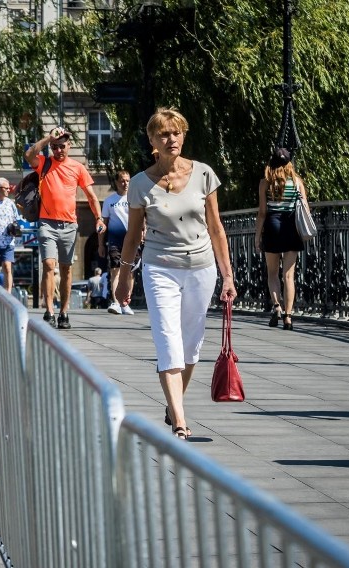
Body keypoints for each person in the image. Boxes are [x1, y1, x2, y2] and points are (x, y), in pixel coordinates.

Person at [115, 107, 237, 441]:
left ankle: (173, 405)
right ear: (152, 140)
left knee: (191, 345)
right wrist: (125, 275)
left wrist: (227, 277)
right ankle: (180, 421)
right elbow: (132, 234)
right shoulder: (139, 184)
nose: (172, 139)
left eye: (177, 132)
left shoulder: (203, 174)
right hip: (159, 268)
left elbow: (216, 228)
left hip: (201, 268)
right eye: (164, 134)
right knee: (168, 342)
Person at [24, 127, 105, 329]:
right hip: (47, 223)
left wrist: (99, 218)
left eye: (62, 146)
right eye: (55, 147)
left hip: (69, 225)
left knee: (67, 269)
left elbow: (91, 196)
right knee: (49, 265)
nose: (59, 150)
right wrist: (47, 138)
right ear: (51, 147)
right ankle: (49, 310)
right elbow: (28, 154)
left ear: (69, 146)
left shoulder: (78, 168)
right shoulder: (44, 163)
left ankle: (64, 311)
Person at [254, 147, 307, 331]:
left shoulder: (265, 183)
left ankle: (277, 306)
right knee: (289, 275)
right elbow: (305, 208)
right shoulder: (297, 182)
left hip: (272, 227)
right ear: (289, 163)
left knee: (273, 273)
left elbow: (262, 213)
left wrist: (257, 236)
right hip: (291, 228)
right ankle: (288, 316)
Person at [100, 170, 136, 315]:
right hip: (115, 240)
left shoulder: (134, 198)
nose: (125, 183)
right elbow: (104, 224)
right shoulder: (109, 201)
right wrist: (101, 244)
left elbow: (142, 219)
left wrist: (143, 231)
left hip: (132, 241)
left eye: (127, 180)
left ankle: (125, 303)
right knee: (115, 271)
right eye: (122, 180)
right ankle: (116, 302)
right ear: (117, 182)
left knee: (130, 273)